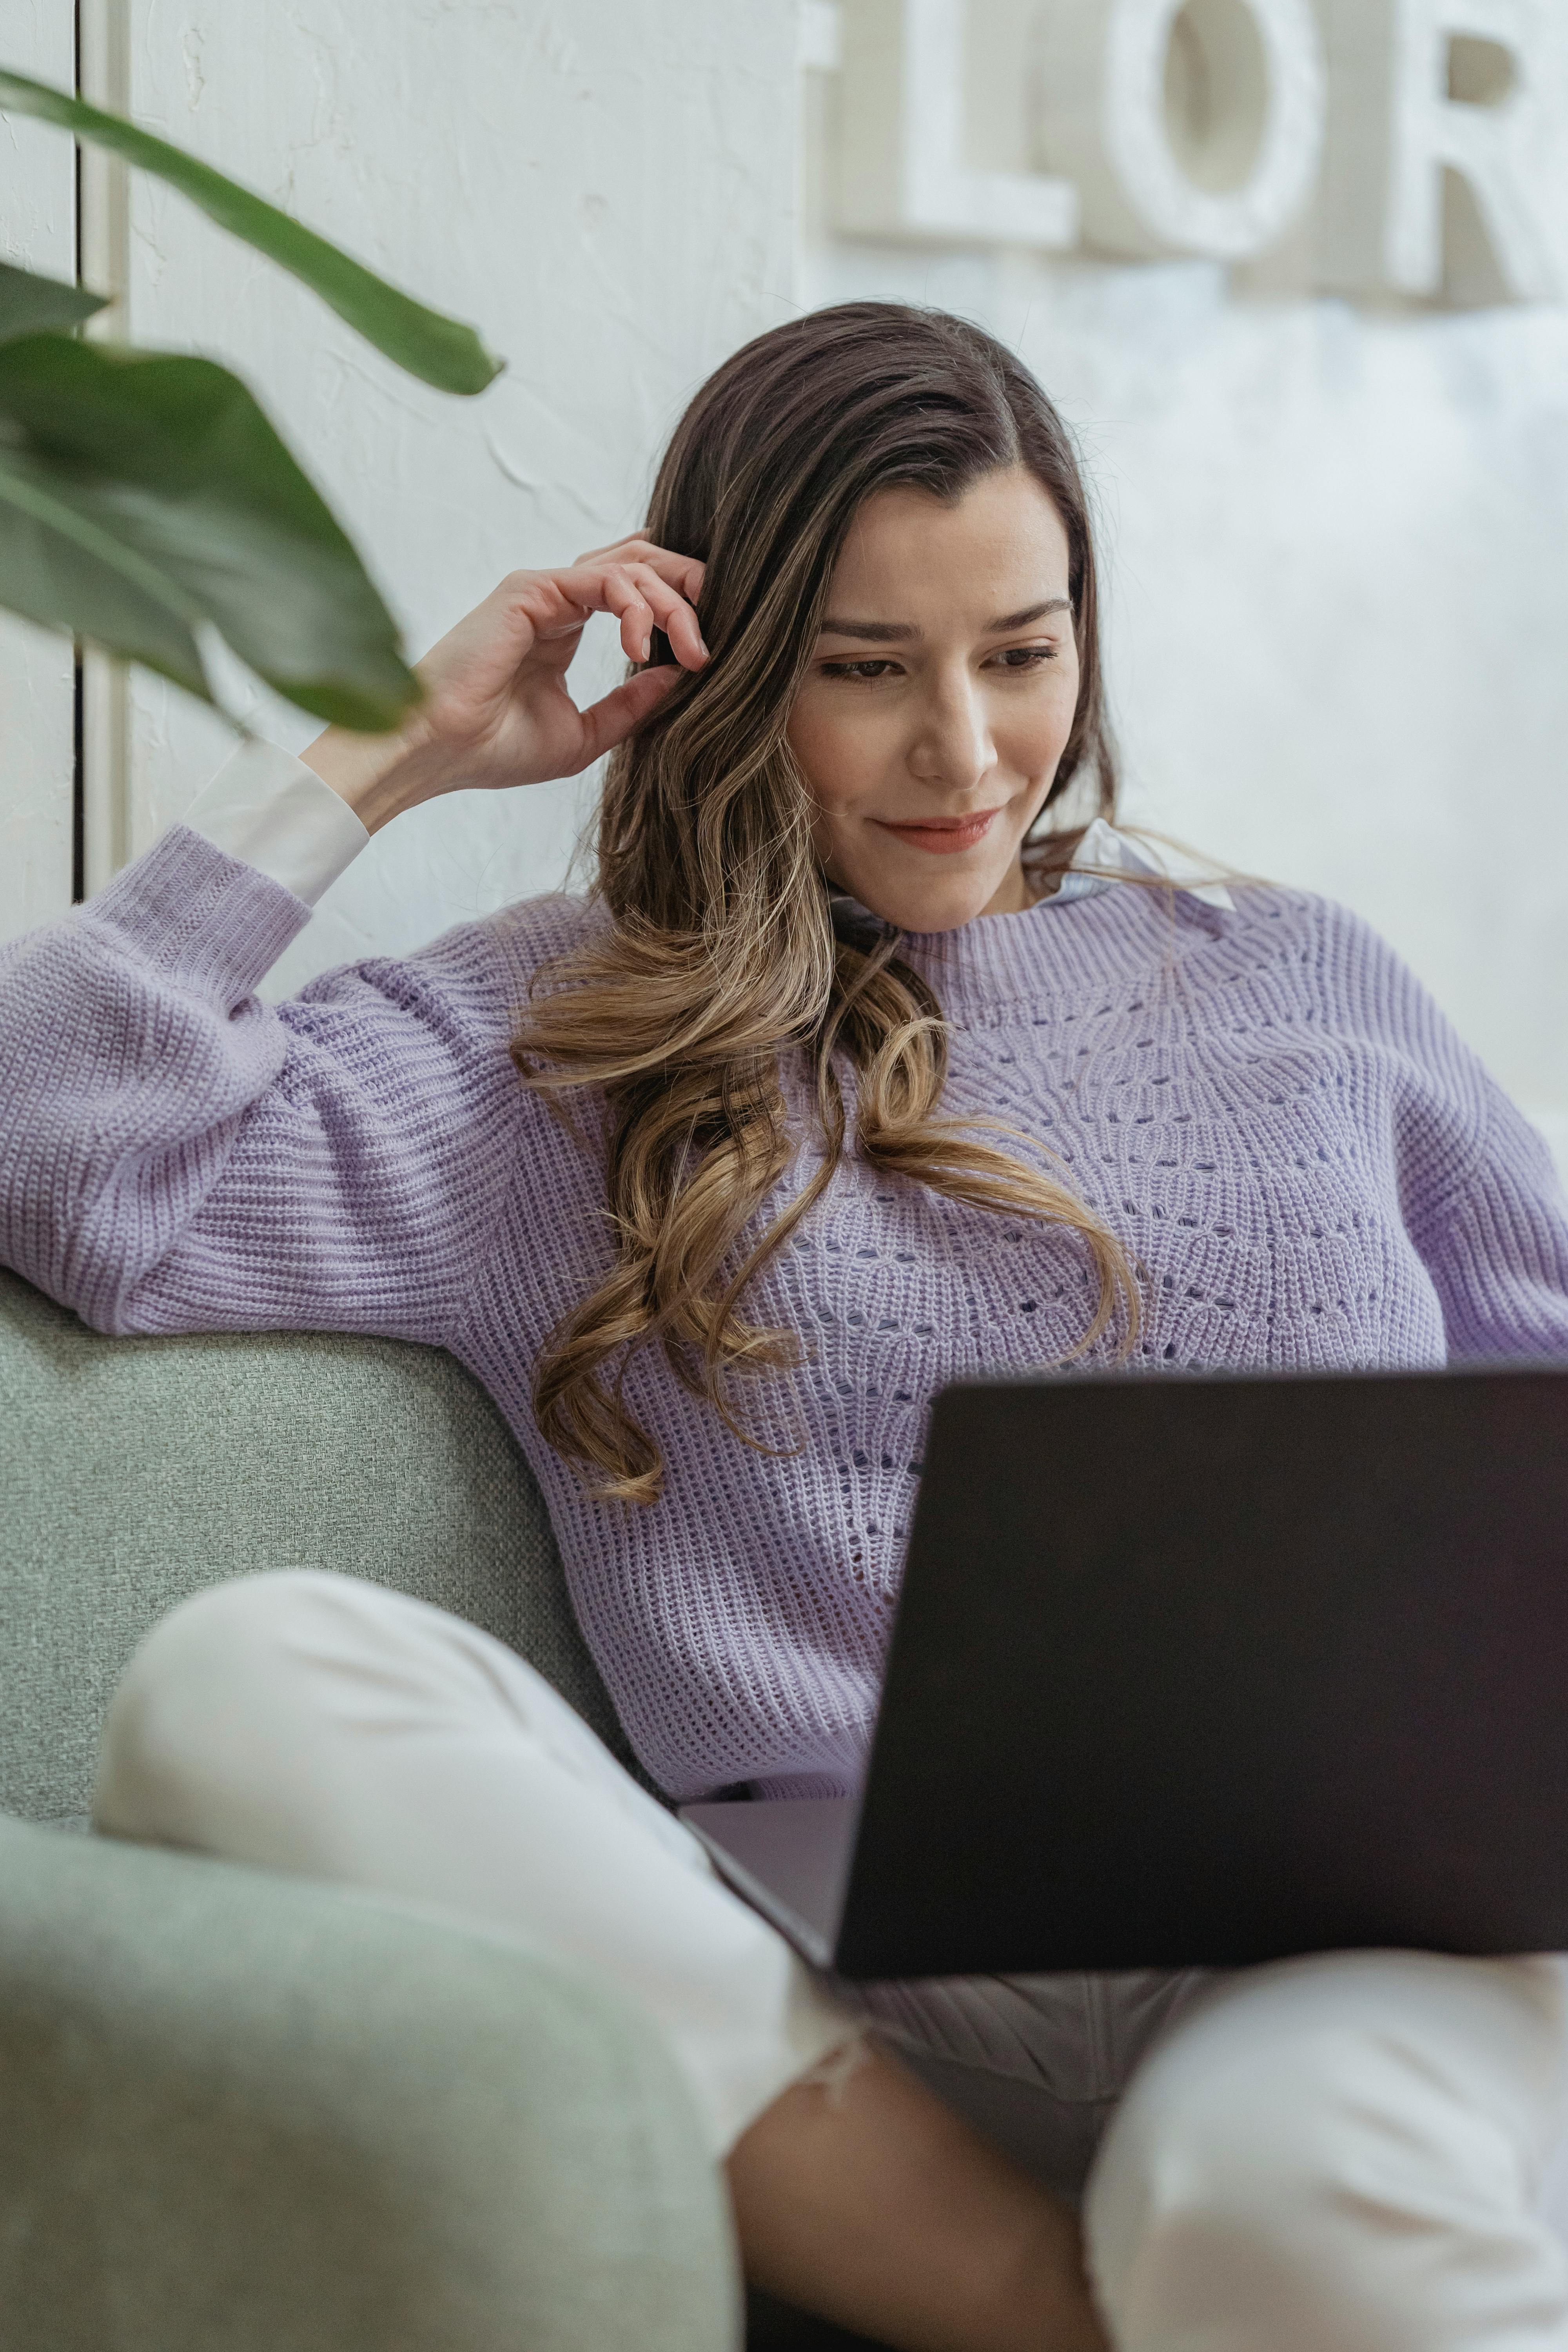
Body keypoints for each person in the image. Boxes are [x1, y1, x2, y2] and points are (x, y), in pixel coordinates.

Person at [3, 301, 1567, 2352]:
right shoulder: (548, 1058)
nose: (970, 750)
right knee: (242, 1676)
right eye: (865, 672)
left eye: (1023, 649)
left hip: (1337, 1967)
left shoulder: (1303, 986)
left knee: (1287, 2205)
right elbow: (57, 1137)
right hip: (844, 2032)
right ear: (725, 677)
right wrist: (386, 744)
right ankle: (1031, 2307)